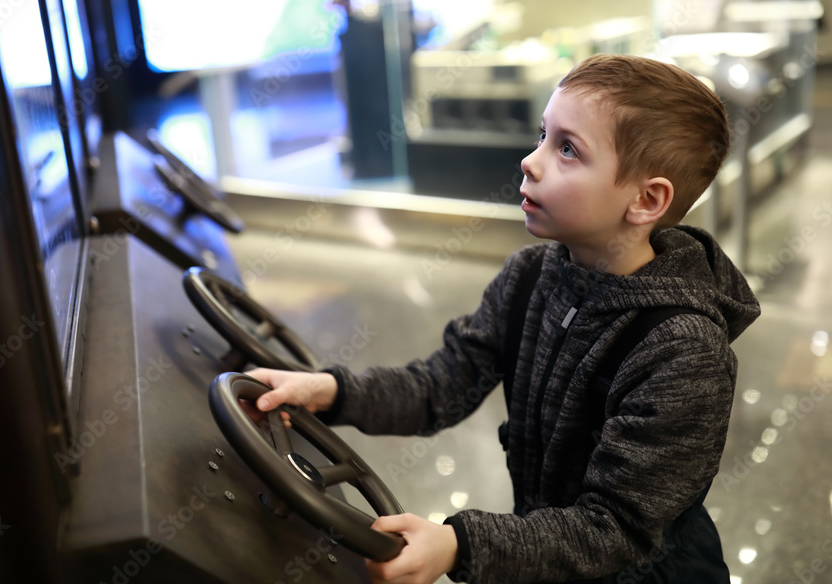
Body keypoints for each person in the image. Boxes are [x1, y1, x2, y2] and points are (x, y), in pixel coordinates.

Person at [248, 54, 761, 583]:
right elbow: (443, 385)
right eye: (543, 135)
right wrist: (331, 392)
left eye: (567, 149)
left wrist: (459, 544)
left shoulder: (683, 350)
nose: (530, 162)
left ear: (646, 199)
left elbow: (617, 528)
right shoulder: (530, 276)